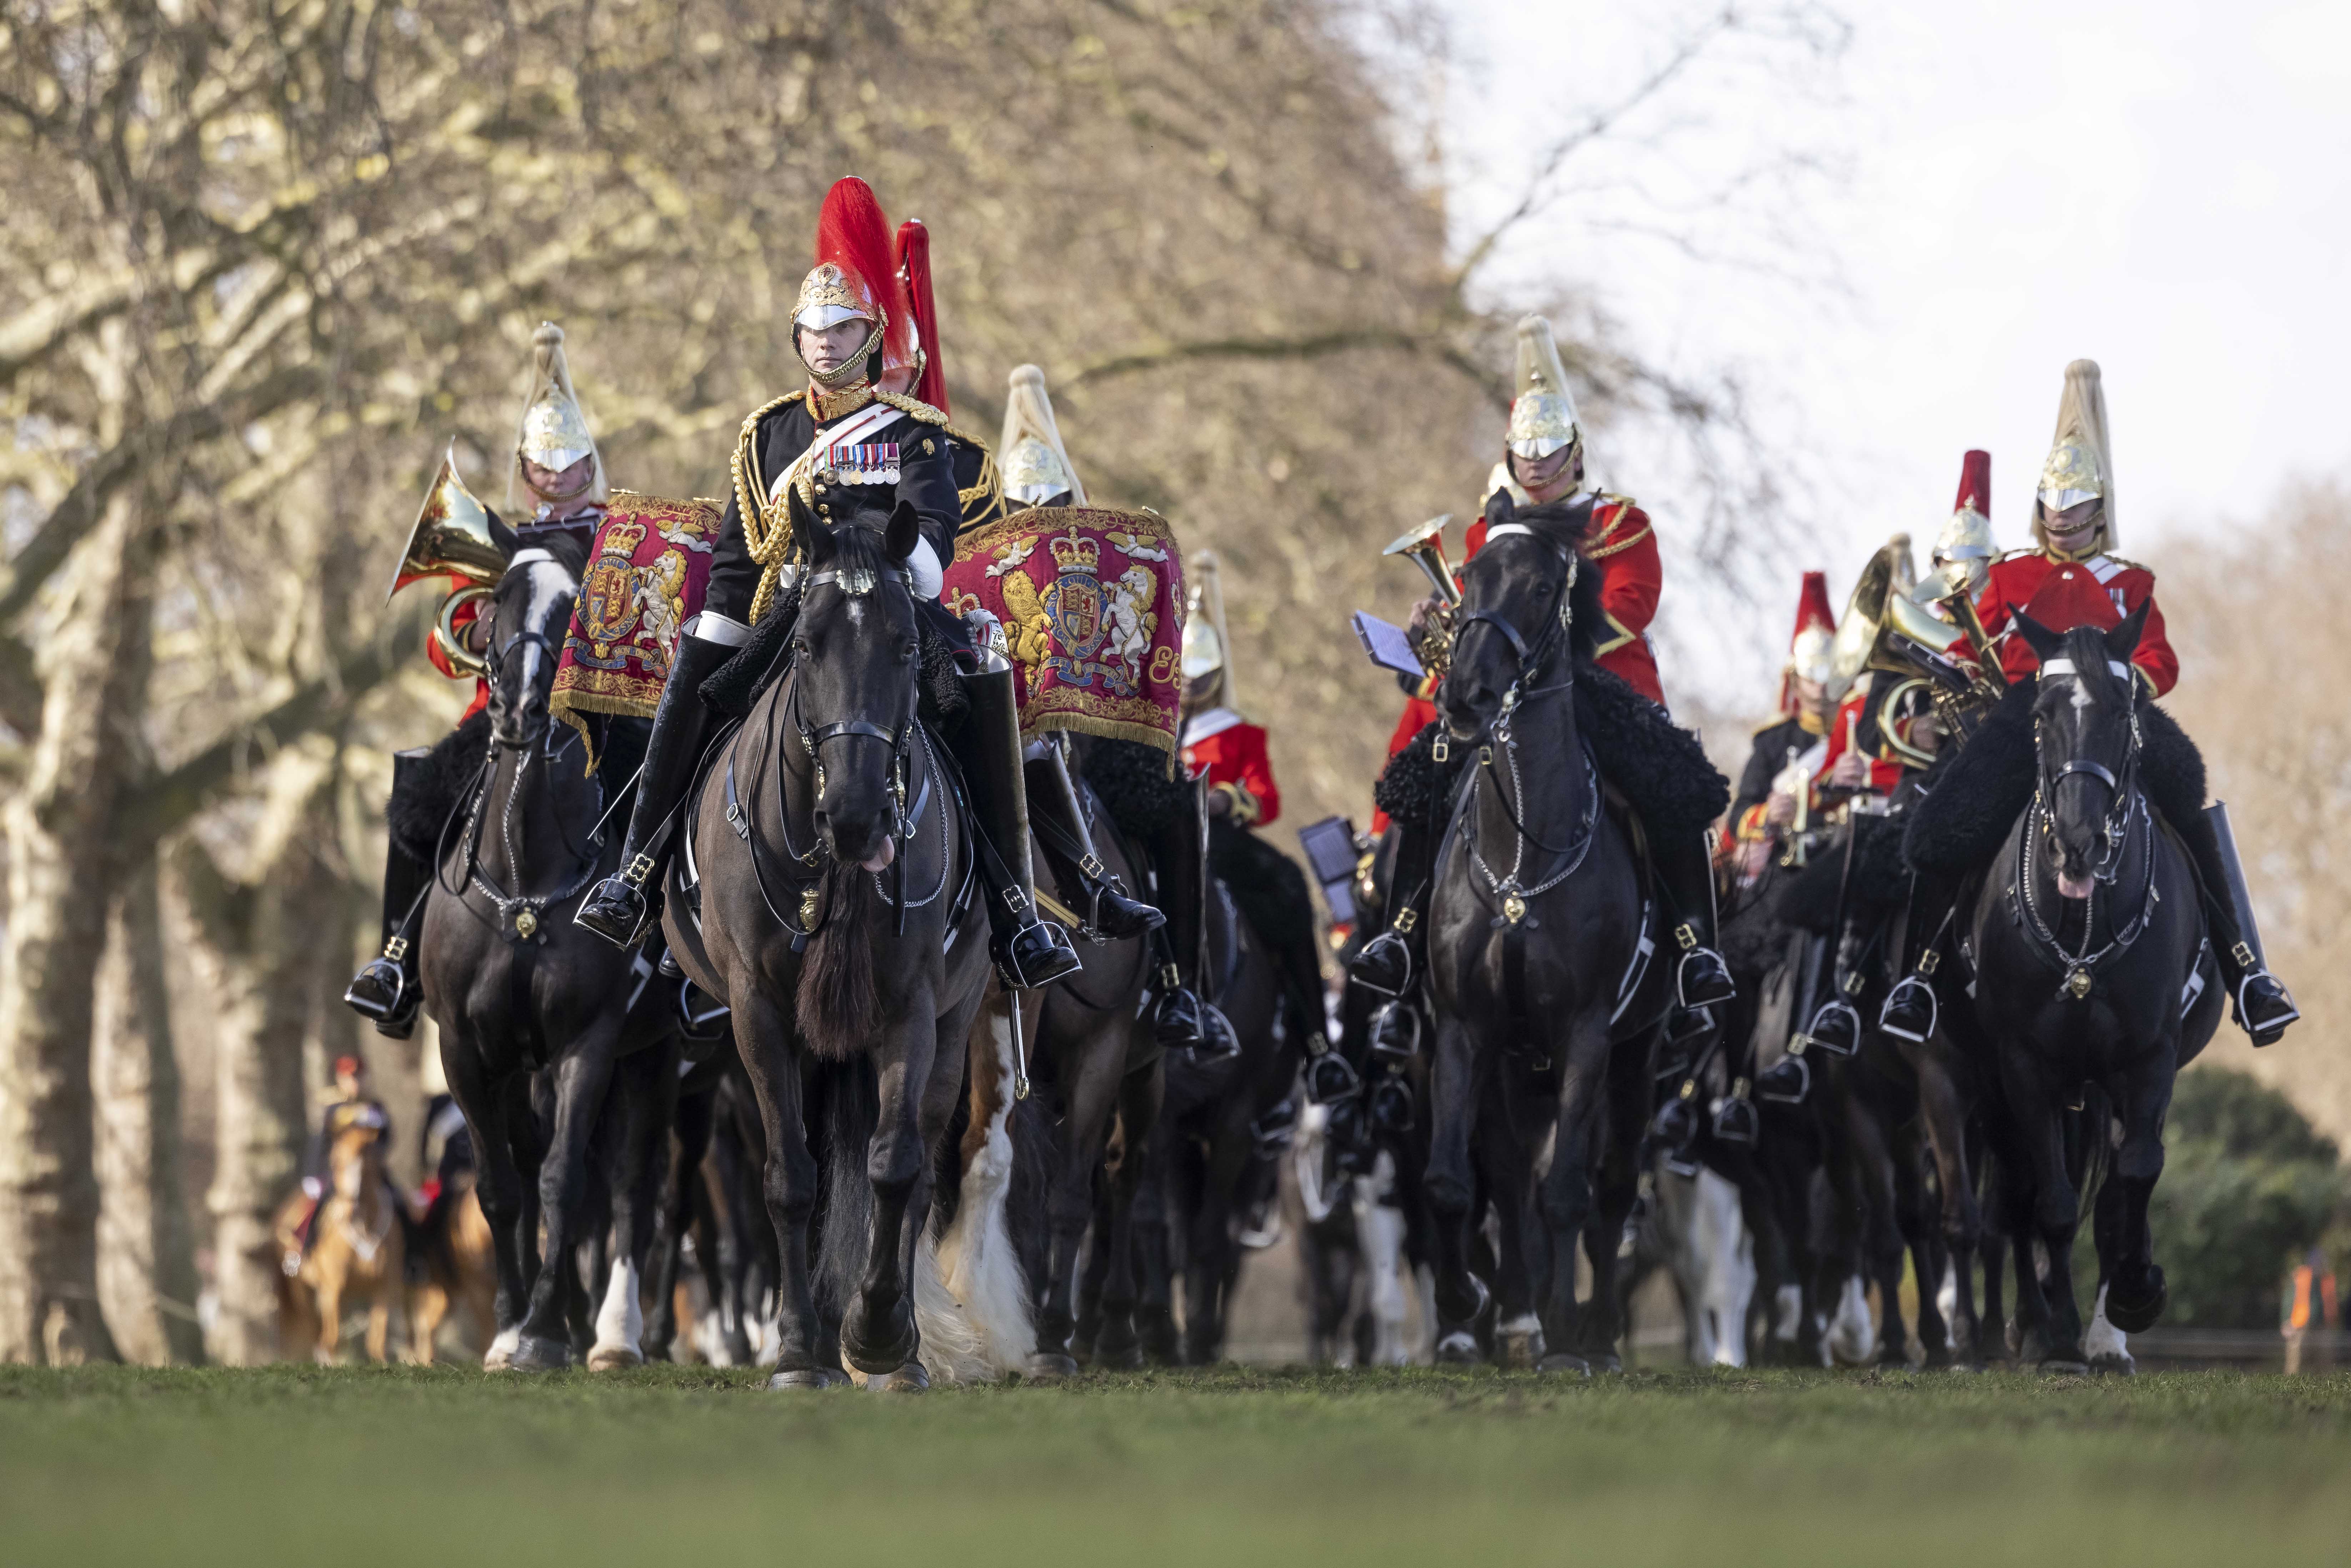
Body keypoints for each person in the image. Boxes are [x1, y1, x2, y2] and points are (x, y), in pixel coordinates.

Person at [574, 178, 1080, 988]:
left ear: (870, 332)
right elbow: (744, 547)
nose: (821, 343)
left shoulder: (916, 435)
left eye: (839, 327)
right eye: (811, 330)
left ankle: (1015, 905)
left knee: (982, 681)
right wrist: (716, 625)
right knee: (691, 685)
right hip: (787, 609)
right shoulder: (765, 431)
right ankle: (637, 872)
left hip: (888, 606)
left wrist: (891, 566)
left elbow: (934, 526)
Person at [1351, 315, 1733, 1053]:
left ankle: (1693, 950)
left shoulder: (1620, 522)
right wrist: (1444, 623)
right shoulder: (1486, 536)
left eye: (1549, 454)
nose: (1536, 467)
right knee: (1416, 779)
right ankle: (1400, 942)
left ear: (1575, 453)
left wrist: (1555, 633)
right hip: (1507, 699)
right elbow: (1483, 613)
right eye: (1524, 455)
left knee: (1674, 786)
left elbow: (1630, 605)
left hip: (1598, 687)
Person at [1885, 361, 2296, 1046]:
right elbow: (1973, 644)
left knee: (2189, 799)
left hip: (2111, 717)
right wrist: (1950, 681)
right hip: (2027, 717)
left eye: (2075, 510)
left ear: (2097, 511)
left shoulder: (2129, 580)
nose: (2061, 520)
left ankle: (2249, 973)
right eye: (2052, 507)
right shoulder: (2011, 573)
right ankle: (1920, 978)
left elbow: (2160, 659)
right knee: (1944, 820)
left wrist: (2126, 684)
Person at [344, 322, 611, 1036]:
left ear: (591, 464)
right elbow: (444, 643)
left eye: (569, 465)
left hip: (593, 710)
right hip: (503, 713)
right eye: (543, 467)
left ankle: (684, 963)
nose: (556, 478)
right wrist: (480, 631)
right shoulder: (499, 541)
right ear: (524, 471)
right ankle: (398, 956)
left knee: (678, 785)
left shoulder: (619, 537)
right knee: (418, 786)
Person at [1181, 552, 1328, 1068]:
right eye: (1183, 676)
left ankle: (1314, 1038)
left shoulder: (1239, 732)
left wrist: (1227, 799)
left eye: (1200, 677)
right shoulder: (1147, 719)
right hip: (1165, 826)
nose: (1189, 687)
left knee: (1288, 882)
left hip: (1219, 839)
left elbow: (1267, 800)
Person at [285, 1054, 394, 1274]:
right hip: (337, 1174)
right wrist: (312, 1176)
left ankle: (413, 1261)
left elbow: (387, 1138)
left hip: (372, 1172)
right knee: (316, 1208)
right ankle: (301, 1253)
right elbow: (319, 1144)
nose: (354, 1083)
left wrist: (377, 1159)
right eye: (348, 1078)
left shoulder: (376, 1107)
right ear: (340, 1079)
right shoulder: (333, 1108)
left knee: (399, 1203)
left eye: (358, 1077)